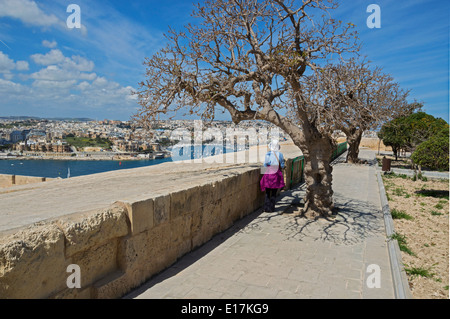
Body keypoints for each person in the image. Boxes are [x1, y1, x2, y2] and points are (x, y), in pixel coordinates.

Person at [260, 139, 285, 212]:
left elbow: (265, 164)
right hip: (276, 174)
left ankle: (266, 208)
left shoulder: (268, 154)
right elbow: (282, 165)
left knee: (267, 192)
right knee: (274, 192)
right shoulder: (280, 155)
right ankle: (272, 208)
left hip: (268, 174)